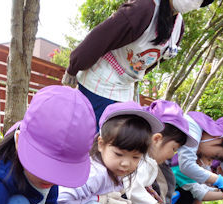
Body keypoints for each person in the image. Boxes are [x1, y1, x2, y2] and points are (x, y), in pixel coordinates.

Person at [62, 0, 214, 123]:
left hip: (125, 88)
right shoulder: (144, 8)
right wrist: (73, 68)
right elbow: (98, 38)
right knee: (90, 136)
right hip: (100, 81)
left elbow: (152, 61)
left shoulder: (178, 28)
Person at [113, 100, 202, 204]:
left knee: (143, 194)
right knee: (133, 200)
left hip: (108, 203)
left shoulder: (145, 159)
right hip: (103, 203)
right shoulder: (141, 162)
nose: (173, 155)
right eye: (174, 149)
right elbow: (134, 191)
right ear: (156, 139)